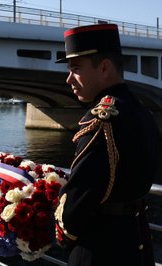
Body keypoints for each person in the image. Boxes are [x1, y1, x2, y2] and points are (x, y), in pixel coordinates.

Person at [54, 23, 161, 266]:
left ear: (103, 67)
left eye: (76, 69)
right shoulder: (141, 111)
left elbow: (75, 205)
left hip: (100, 251)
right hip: (136, 243)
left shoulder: (102, 119)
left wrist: (60, 230)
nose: (68, 78)